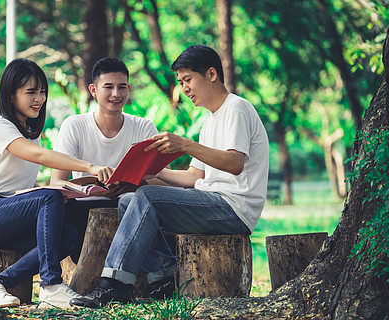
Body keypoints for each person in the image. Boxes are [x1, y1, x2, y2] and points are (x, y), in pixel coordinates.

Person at [70, 45, 269, 308]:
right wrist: (152, 173)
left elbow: (234, 163)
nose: (185, 88)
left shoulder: (236, 108)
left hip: (233, 209)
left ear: (211, 74)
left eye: (188, 80)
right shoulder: (211, 120)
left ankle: (115, 284)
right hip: (210, 199)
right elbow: (194, 176)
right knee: (128, 200)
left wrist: (185, 145)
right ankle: (164, 277)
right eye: (181, 82)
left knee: (147, 199)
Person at [0, 58, 114, 309]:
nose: (39, 98)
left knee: (68, 235)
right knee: (48, 197)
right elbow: (41, 157)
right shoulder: (1, 126)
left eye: (42, 91)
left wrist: (63, 191)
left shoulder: (31, 130)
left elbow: (22, 183)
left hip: (7, 214)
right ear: (11, 96)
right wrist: (90, 167)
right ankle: (51, 286)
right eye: (30, 91)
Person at [50, 57, 169, 298]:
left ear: (128, 89)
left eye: (122, 87)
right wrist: (92, 187)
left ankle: (154, 280)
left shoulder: (143, 127)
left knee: (141, 204)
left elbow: (159, 177)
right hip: (86, 207)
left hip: (131, 205)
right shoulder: (75, 125)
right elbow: (56, 182)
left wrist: (134, 182)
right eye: (109, 87)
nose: (116, 94)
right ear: (93, 90)